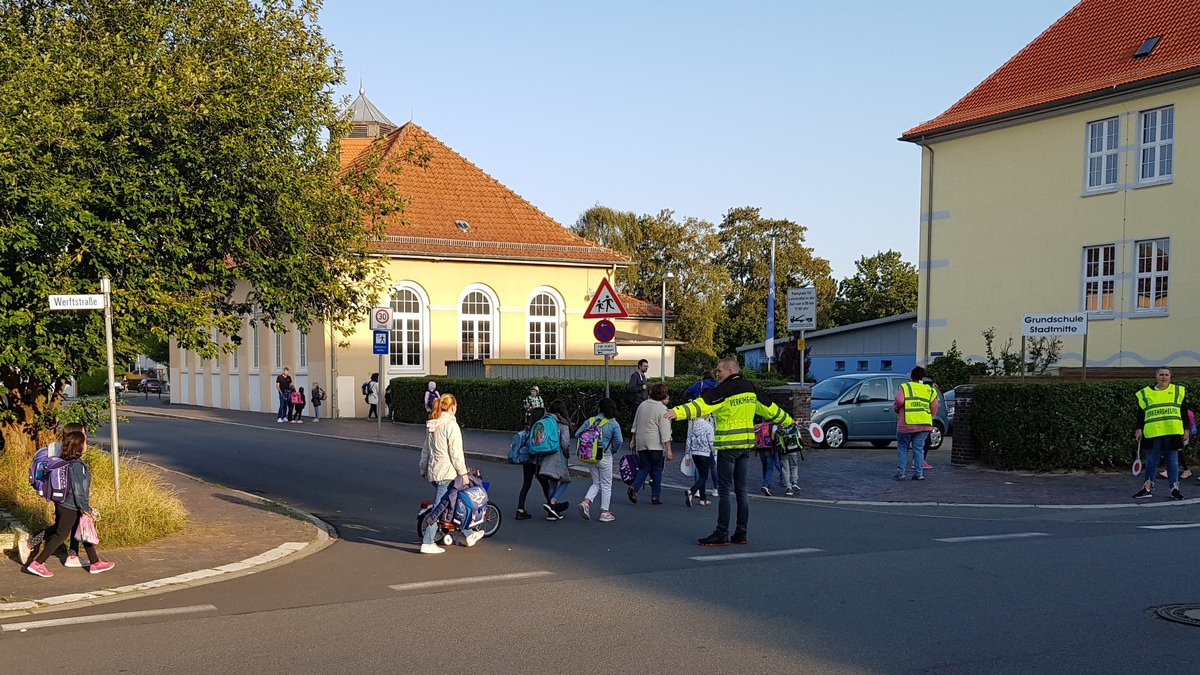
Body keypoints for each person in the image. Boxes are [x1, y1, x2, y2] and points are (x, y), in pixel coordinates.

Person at [666, 357, 793, 547]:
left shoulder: (723, 390)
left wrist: (677, 412)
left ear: (731, 370)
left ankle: (721, 533)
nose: (717, 374)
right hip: (745, 447)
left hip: (727, 447)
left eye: (719, 371)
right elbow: (770, 409)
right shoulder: (751, 388)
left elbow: (701, 405)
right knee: (741, 490)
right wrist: (790, 421)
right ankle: (741, 533)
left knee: (724, 490)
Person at [24, 428, 115, 577]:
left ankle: (95, 563)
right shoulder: (77, 465)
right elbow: (79, 490)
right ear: (79, 446)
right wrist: (86, 508)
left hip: (65, 503)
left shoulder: (66, 461)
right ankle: (38, 563)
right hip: (71, 506)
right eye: (84, 442)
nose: (86, 444)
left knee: (84, 530)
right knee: (61, 535)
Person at [19, 423, 87, 568]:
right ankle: (33, 549)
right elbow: (76, 484)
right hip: (67, 498)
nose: (85, 436)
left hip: (59, 496)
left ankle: (72, 555)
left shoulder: (60, 448)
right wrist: (84, 504)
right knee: (61, 530)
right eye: (83, 434)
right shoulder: (71, 454)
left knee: (71, 524)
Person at [418, 394, 470, 554]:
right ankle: (428, 541)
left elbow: (426, 449)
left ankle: (468, 533)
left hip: (435, 471)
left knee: (451, 501)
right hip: (447, 472)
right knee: (440, 507)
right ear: (453, 407)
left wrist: (423, 468)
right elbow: (456, 453)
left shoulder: (433, 424)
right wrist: (463, 472)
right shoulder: (451, 426)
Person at [1133, 367, 1189, 500]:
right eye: (1161, 374)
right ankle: (1147, 487)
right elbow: (1141, 413)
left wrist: (1186, 429)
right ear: (1156, 376)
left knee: (1173, 462)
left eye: (1166, 375)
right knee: (1152, 461)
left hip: (1172, 432)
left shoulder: (1177, 391)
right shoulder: (1146, 393)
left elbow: (1184, 411)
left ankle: (1174, 489)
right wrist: (1139, 428)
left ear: (1170, 377)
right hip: (1154, 432)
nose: (1164, 377)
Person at [577, 398, 624, 523]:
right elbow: (619, 440)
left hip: (590, 456)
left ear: (599, 408)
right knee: (606, 484)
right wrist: (613, 450)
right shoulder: (613, 423)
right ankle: (605, 512)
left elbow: (578, 434)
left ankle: (586, 502)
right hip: (605, 455)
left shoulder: (590, 421)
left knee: (596, 482)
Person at [629, 383, 674, 505]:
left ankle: (634, 487)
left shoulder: (642, 405)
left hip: (641, 441)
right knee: (657, 469)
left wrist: (633, 440)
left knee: (644, 466)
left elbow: (635, 424)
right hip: (655, 443)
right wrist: (669, 450)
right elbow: (665, 433)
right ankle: (655, 496)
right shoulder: (662, 409)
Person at [894, 366, 939, 481]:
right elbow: (935, 406)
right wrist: (930, 416)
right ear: (923, 377)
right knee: (919, 449)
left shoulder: (905, 387)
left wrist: (897, 408)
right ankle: (919, 474)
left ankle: (901, 473)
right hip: (924, 424)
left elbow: (899, 401)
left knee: (903, 447)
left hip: (906, 423)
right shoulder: (929, 390)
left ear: (911, 376)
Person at [538, 401, 573, 520]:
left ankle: (551, 512)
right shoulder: (563, 423)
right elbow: (565, 442)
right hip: (559, 456)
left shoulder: (546, 420)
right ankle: (552, 502)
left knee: (553, 481)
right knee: (565, 480)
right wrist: (567, 454)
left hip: (547, 453)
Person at [515, 407, 551, 520]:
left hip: (527, 460)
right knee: (545, 484)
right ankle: (552, 506)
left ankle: (520, 509)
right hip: (537, 461)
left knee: (526, 484)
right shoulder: (540, 428)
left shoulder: (528, 429)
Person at [685, 413, 716, 506]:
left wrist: (687, 455)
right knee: (704, 476)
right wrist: (715, 455)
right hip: (705, 453)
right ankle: (692, 491)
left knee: (701, 474)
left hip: (694, 453)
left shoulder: (692, 425)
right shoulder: (708, 426)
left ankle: (703, 498)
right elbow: (711, 442)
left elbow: (688, 440)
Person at [775, 423, 802, 496]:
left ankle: (788, 487)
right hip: (793, 450)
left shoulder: (779, 428)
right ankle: (794, 482)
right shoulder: (794, 428)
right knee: (794, 466)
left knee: (785, 469)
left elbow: (776, 440)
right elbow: (799, 438)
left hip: (783, 451)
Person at [754, 422, 778, 496]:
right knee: (770, 468)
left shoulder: (759, 425)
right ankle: (766, 485)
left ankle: (765, 484)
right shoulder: (773, 425)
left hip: (761, 448)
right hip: (769, 449)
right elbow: (773, 437)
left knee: (764, 467)